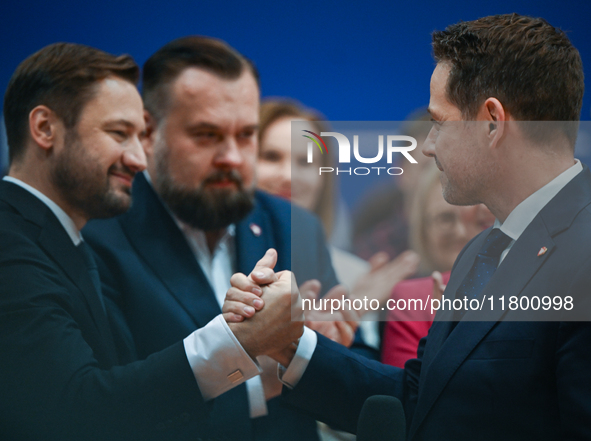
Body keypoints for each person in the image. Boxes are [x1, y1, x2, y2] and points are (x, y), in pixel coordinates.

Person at [229, 14, 591, 440]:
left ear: (492, 122)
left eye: (439, 122)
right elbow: (423, 401)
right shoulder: (481, 252)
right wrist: (287, 343)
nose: (429, 145)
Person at [0, 42, 303, 441]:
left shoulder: (56, 236)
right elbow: (75, 408)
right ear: (44, 129)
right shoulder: (11, 244)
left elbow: (119, 388)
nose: (139, 158)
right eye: (119, 133)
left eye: (139, 135)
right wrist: (239, 343)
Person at [83, 36, 349, 441]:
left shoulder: (296, 225)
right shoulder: (96, 232)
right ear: (148, 131)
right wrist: (270, 377)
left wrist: (330, 352)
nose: (232, 157)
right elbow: (108, 405)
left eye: (245, 135)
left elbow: (350, 378)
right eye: (207, 135)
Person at [257, 99, 419, 351]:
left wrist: (354, 313)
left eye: (305, 162)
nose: (289, 176)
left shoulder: (355, 276)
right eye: (271, 157)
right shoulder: (220, 254)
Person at [381, 162, 494, 368]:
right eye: (445, 219)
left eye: (477, 220)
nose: (461, 232)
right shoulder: (410, 298)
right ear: (422, 228)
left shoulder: (523, 286)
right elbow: (406, 391)